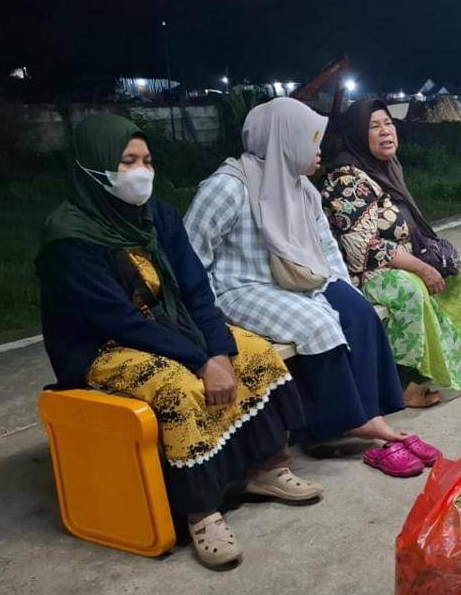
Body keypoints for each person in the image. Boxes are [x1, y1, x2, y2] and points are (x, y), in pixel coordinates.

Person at [37, 114, 322, 569]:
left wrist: (219, 350)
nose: (141, 171)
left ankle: (265, 468)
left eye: (146, 159)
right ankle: (202, 512)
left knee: (256, 354)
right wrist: (199, 359)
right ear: (93, 165)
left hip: (175, 327)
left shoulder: (158, 218)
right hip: (103, 347)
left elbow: (195, 290)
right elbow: (120, 321)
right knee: (176, 387)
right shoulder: (69, 240)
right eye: (126, 161)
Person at [184, 97, 440, 479]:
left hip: (295, 279)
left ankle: (369, 410)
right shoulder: (228, 188)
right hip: (239, 287)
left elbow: (326, 249)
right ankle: (343, 423)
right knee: (318, 325)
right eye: (310, 141)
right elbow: (191, 254)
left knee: (359, 313)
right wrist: (207, 316)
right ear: (283, 142)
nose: (318, 151)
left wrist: (343, 289)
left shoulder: (300, 187)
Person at [321, 99, 461, 407]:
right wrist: (421, 267)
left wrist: (431, 260)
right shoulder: (345, 180)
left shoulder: (385, 168)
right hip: (365, 273)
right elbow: (361, 248)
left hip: (403, 258)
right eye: (373, 127)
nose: (385, 132)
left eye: (388, 123)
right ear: (356, 135)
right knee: (411, 290)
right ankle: (404, 384)